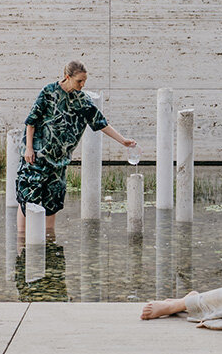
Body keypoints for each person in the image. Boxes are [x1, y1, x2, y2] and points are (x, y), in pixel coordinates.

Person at [16, 60, 135, 232]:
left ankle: (50, 244)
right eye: (79, 81)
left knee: (53, 200)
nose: (83, 84)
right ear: (67, 77)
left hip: (59, 161)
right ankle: (21, 243)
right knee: (29, 198)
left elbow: (100, 122)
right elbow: (31, 122)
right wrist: (28, 148)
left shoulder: (82, 100)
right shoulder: (48, 92)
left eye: (84, 81)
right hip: (37, 156)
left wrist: (123, 140)